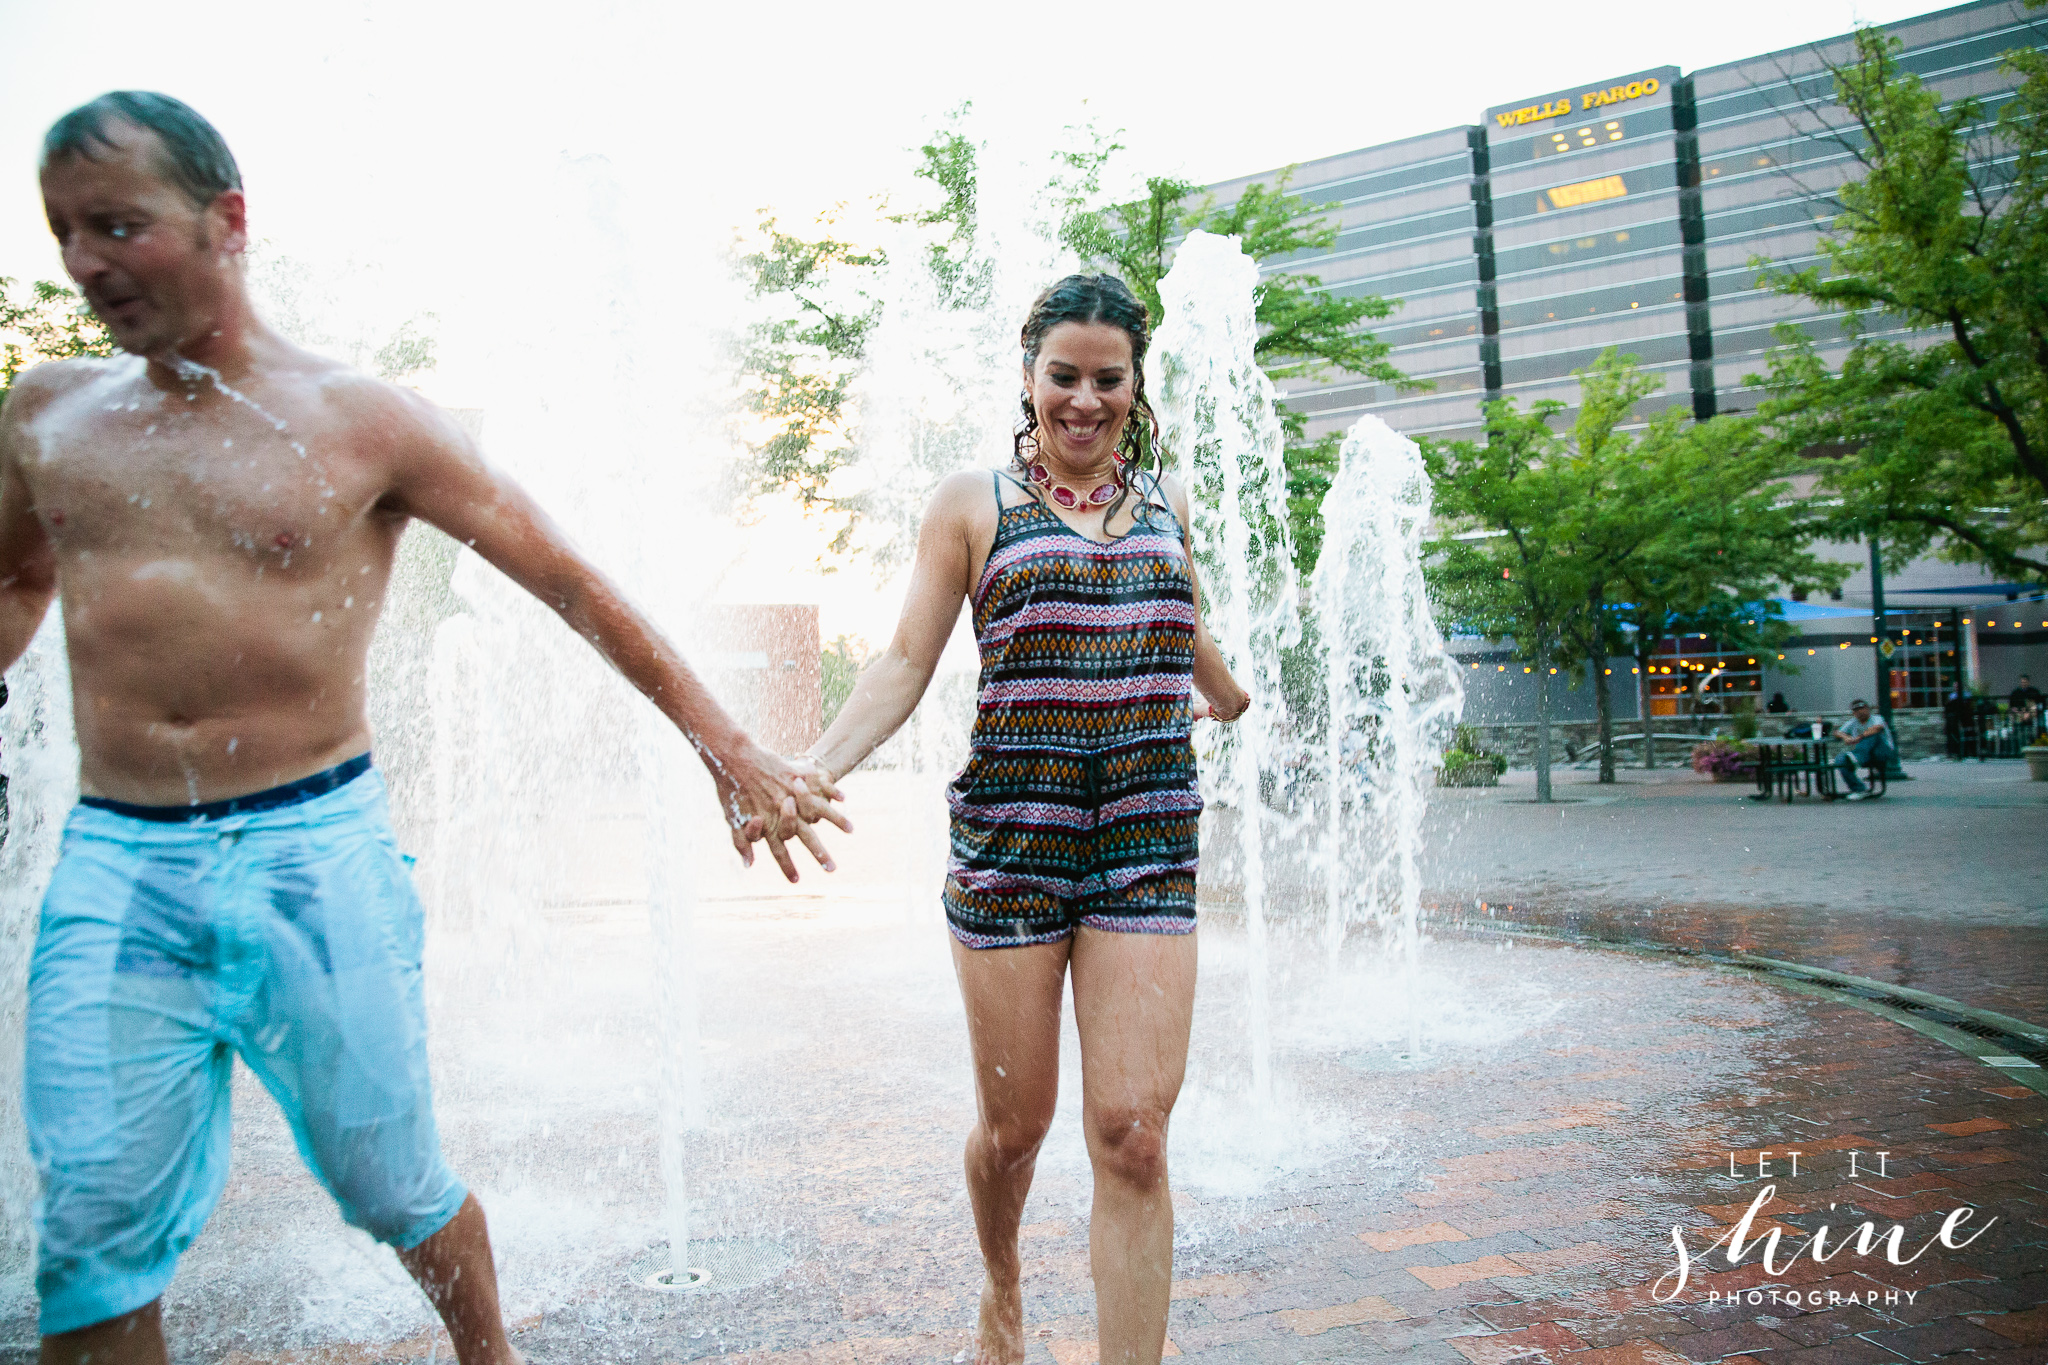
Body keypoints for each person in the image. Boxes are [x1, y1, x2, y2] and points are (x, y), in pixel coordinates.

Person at [0, 92, 846, 1364]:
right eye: (67, 231)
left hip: (312, 857)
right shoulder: (50, 416)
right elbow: (16, 582)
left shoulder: (364, 421)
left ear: (229, 221)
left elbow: (565, 579)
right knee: (95, 1243)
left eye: (120, 225)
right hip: (119, 868)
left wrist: (729, 749)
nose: (88, 264)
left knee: (389, 1186)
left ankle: (485, 1353)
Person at [804, 275, 1249, 1365]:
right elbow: (906, 658)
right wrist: (811, 766)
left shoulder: (1166, 506)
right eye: (1064, 376)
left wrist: (1228, 692)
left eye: (1108, 378)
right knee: (1016, 1132)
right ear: (1028, 376)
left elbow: (1179, 621)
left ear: (1135, 386)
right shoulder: (972, 505)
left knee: (1133, 1139)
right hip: (1013, 843)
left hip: (1145, 841)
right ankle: (1000, 1289)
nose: (1084, 399)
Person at [1831, 699, 1893, 799]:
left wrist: (1859, 737)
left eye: (1862, 709)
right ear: (1853, 713)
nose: (1860, 712)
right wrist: (1845, 737)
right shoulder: (1853, 722)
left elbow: (1877, 728)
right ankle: (1859, 789)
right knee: (1841, 759)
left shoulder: (1877, 718)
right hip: (1864, 756)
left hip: (1881, 752)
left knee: (1873, 734)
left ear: (1868, 709)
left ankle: (1855, 758)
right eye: (1856, 710)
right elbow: (1837, 732)